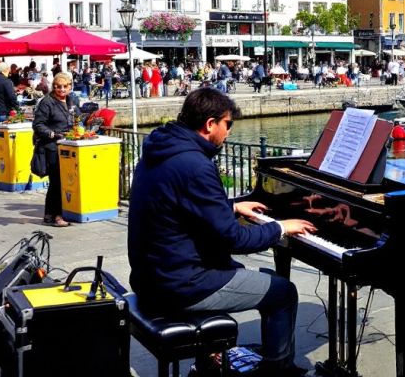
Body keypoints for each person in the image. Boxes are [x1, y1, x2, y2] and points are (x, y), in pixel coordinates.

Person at [127, 88, 316, 376]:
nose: (228, 133)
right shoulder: (196, 165)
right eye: (228, 125)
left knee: (237, 270)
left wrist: (231, 206)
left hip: (149, 275)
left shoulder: (160, 151)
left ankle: (208, 361)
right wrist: (280, 227)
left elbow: (180, 204)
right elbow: (234, 239)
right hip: (177, 285)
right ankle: (278, 369)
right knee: (283, 292)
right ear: (210, 124)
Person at [32, 73, 78, 228]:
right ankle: (56, 216)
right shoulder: (47, 102)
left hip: (68, 144)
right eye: (58, 86)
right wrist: (52, 134)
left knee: (60, 181)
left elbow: (76, 118)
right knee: (57, 182)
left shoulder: (71, 100)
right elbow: (38, 125)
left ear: (70, 86)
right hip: (52, 147)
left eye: (65, 86)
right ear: (54, 87)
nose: (62, 89)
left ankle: (49, 215)